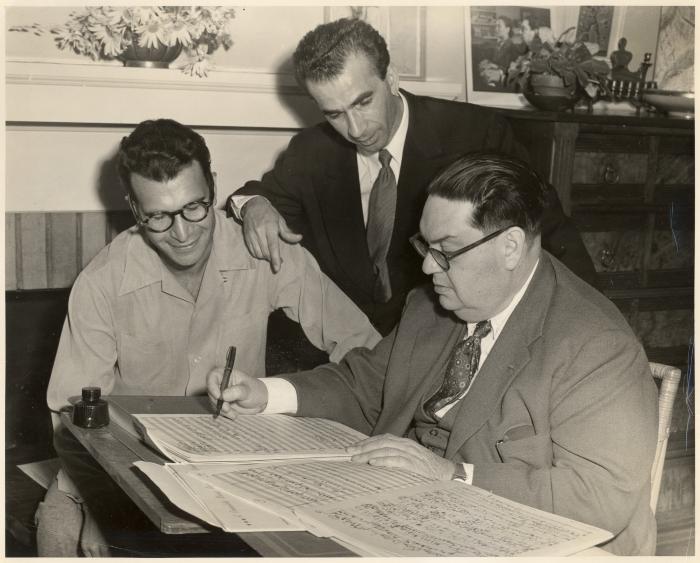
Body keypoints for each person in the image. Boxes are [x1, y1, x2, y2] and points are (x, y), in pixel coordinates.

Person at [209, 152, 658, 556]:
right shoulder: (434, 305)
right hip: (421, 522)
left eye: (445, 252)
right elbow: (367, 386)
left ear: (511, 247)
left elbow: (602, 498)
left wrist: (453, 474)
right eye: (425, 247)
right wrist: (264, 393)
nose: (426, 267)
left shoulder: (595, 344)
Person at [36, 118, 381, 556]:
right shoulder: (102, 283)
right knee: (60, 540)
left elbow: (365, 349)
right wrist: (103, 505)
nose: (182, 234)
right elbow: (75, 419)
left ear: (214, 188)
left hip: (235, 467)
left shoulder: (264, 252)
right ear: (134, 208)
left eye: (194, 208)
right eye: (158, 217)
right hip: (115, 467)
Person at [231, 18, 597, 336]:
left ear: (391, 78)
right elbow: (258, 195)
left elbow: (547, 231)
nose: (355, 129)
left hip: (444, 336)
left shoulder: (476, 133)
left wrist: (591, 324)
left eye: (362, 102)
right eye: (334, 114)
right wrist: (255, 206)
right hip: (349, 350)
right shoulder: (312, 151)